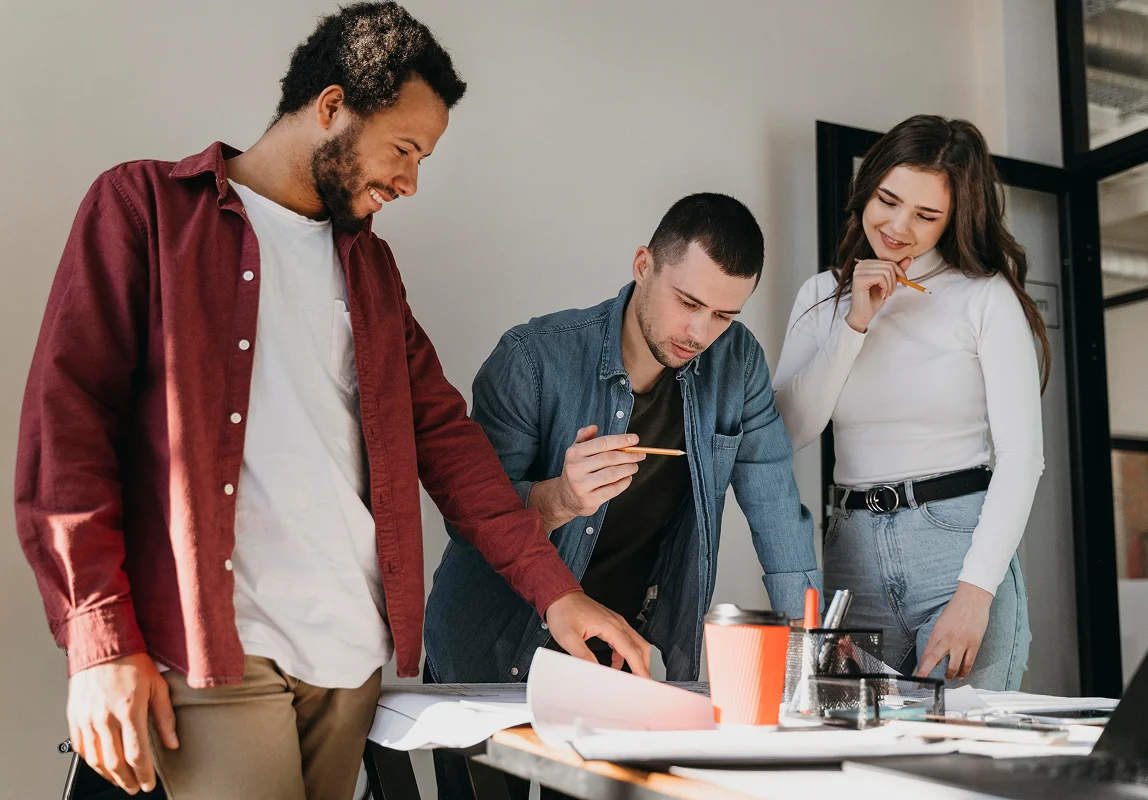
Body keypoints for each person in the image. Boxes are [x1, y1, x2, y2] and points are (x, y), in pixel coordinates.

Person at [14, 5, 648, 799]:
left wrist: (559, 595)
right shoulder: (145, 208)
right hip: (218, 648)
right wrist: (98, 643)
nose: (410, 181)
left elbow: (448, 444)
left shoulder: (371, 271)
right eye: (405, 148)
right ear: (330, 107)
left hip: (350, 664)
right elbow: (66, 435)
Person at [424, 192, 820, 683]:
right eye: (688, 302)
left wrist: (810, 656)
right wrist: (562, 499)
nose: (699, 333)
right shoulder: (533, 360)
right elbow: (470, 522)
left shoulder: (737, 363)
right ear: (643, 265)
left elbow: (777, 510)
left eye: (723, 316)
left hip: (618, 659)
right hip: (494, 649)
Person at [773, 114, 1049, 691]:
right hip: (850, 551)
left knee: (958, 761)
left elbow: (1023, 458)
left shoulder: (984, 297)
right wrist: (854, 323)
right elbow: (788, 431)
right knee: (846, 754)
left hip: (956, 551)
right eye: (887, 200)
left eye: (926, 216)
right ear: (867, 187)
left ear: (955, 219)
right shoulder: (821, 296)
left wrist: (975, 595)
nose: (898, 227)